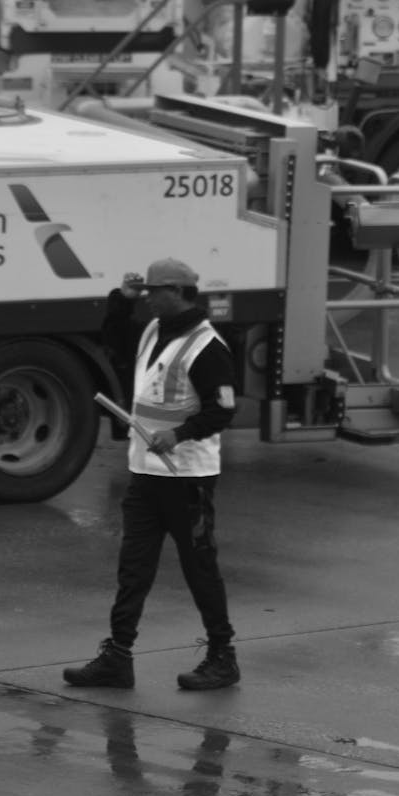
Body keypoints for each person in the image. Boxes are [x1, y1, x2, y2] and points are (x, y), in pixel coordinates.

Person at [63, 257, 239, 692]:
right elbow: (113, 340)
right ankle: (117, 658)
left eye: (152, 293)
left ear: (177, 293)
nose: (146, 299)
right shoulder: (151, 331)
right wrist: (119, 303)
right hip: (145, 474)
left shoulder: (207, 346)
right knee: (133, 568)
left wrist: (179, 434)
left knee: (199, 567)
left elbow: (223, 410)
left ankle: (223, 656)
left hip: (187, 477)